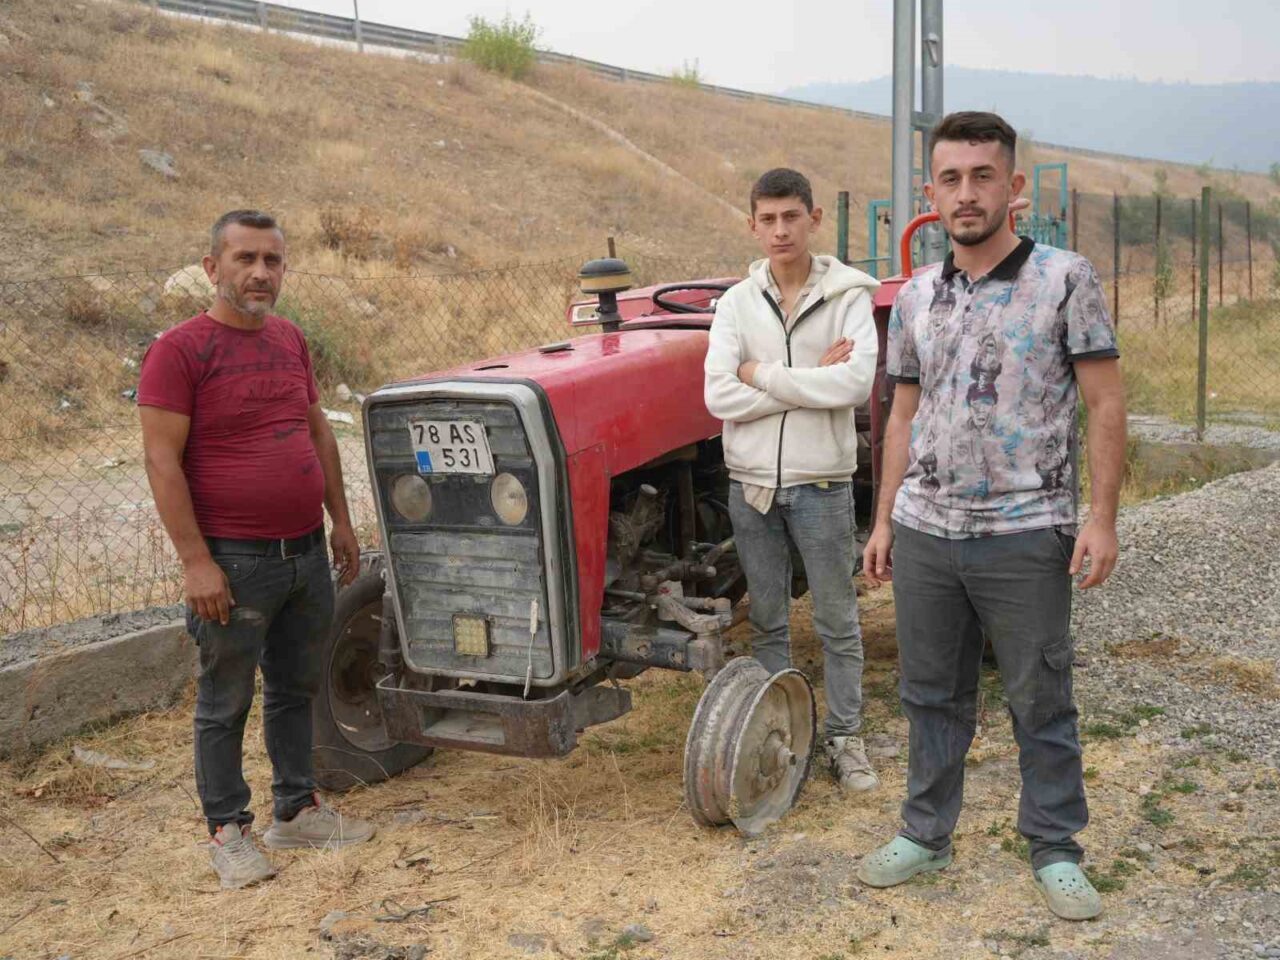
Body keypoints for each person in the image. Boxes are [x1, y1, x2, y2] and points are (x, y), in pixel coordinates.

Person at [858, 112, 1126, 921]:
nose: (965, 193)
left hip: (1026, 527)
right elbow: (900, 414)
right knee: (930, 693)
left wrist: (1102, 517)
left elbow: (1106, 400)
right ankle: (926, 833)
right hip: (928, 530)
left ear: (1013, 187)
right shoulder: (916, 298)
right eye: (950, 178)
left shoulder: (1063, 279)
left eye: (982, 176)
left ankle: (1055, 847)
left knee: (1040, 695)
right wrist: (882, 521)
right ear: (931, 192)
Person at [139, 210, 374, 890]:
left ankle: (296, 810)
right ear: (212, 268)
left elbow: (318, 435)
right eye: (245, 259)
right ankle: (228, 831)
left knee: (296, 688)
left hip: (304, 555)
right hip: (233, 563)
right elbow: (162, 462)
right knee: (225, 700)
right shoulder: (180, 351)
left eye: (272, 260)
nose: (260, 273)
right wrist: (195, 561)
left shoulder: (289, 340)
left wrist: (341, 521)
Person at [704, 168, 882, 792]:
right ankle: (778, 735)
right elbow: (718, 395)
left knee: (837, 619)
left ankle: (845, 738)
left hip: (822, 485)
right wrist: (804, 379)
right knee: (769, 620)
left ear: (813, 220)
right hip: (750, 484)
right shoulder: (734, 304)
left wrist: (762, 373)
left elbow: (855, 385)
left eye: (791, 217)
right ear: (753, 225)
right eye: (768, 219)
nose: (780, 230)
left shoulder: (849, 298)